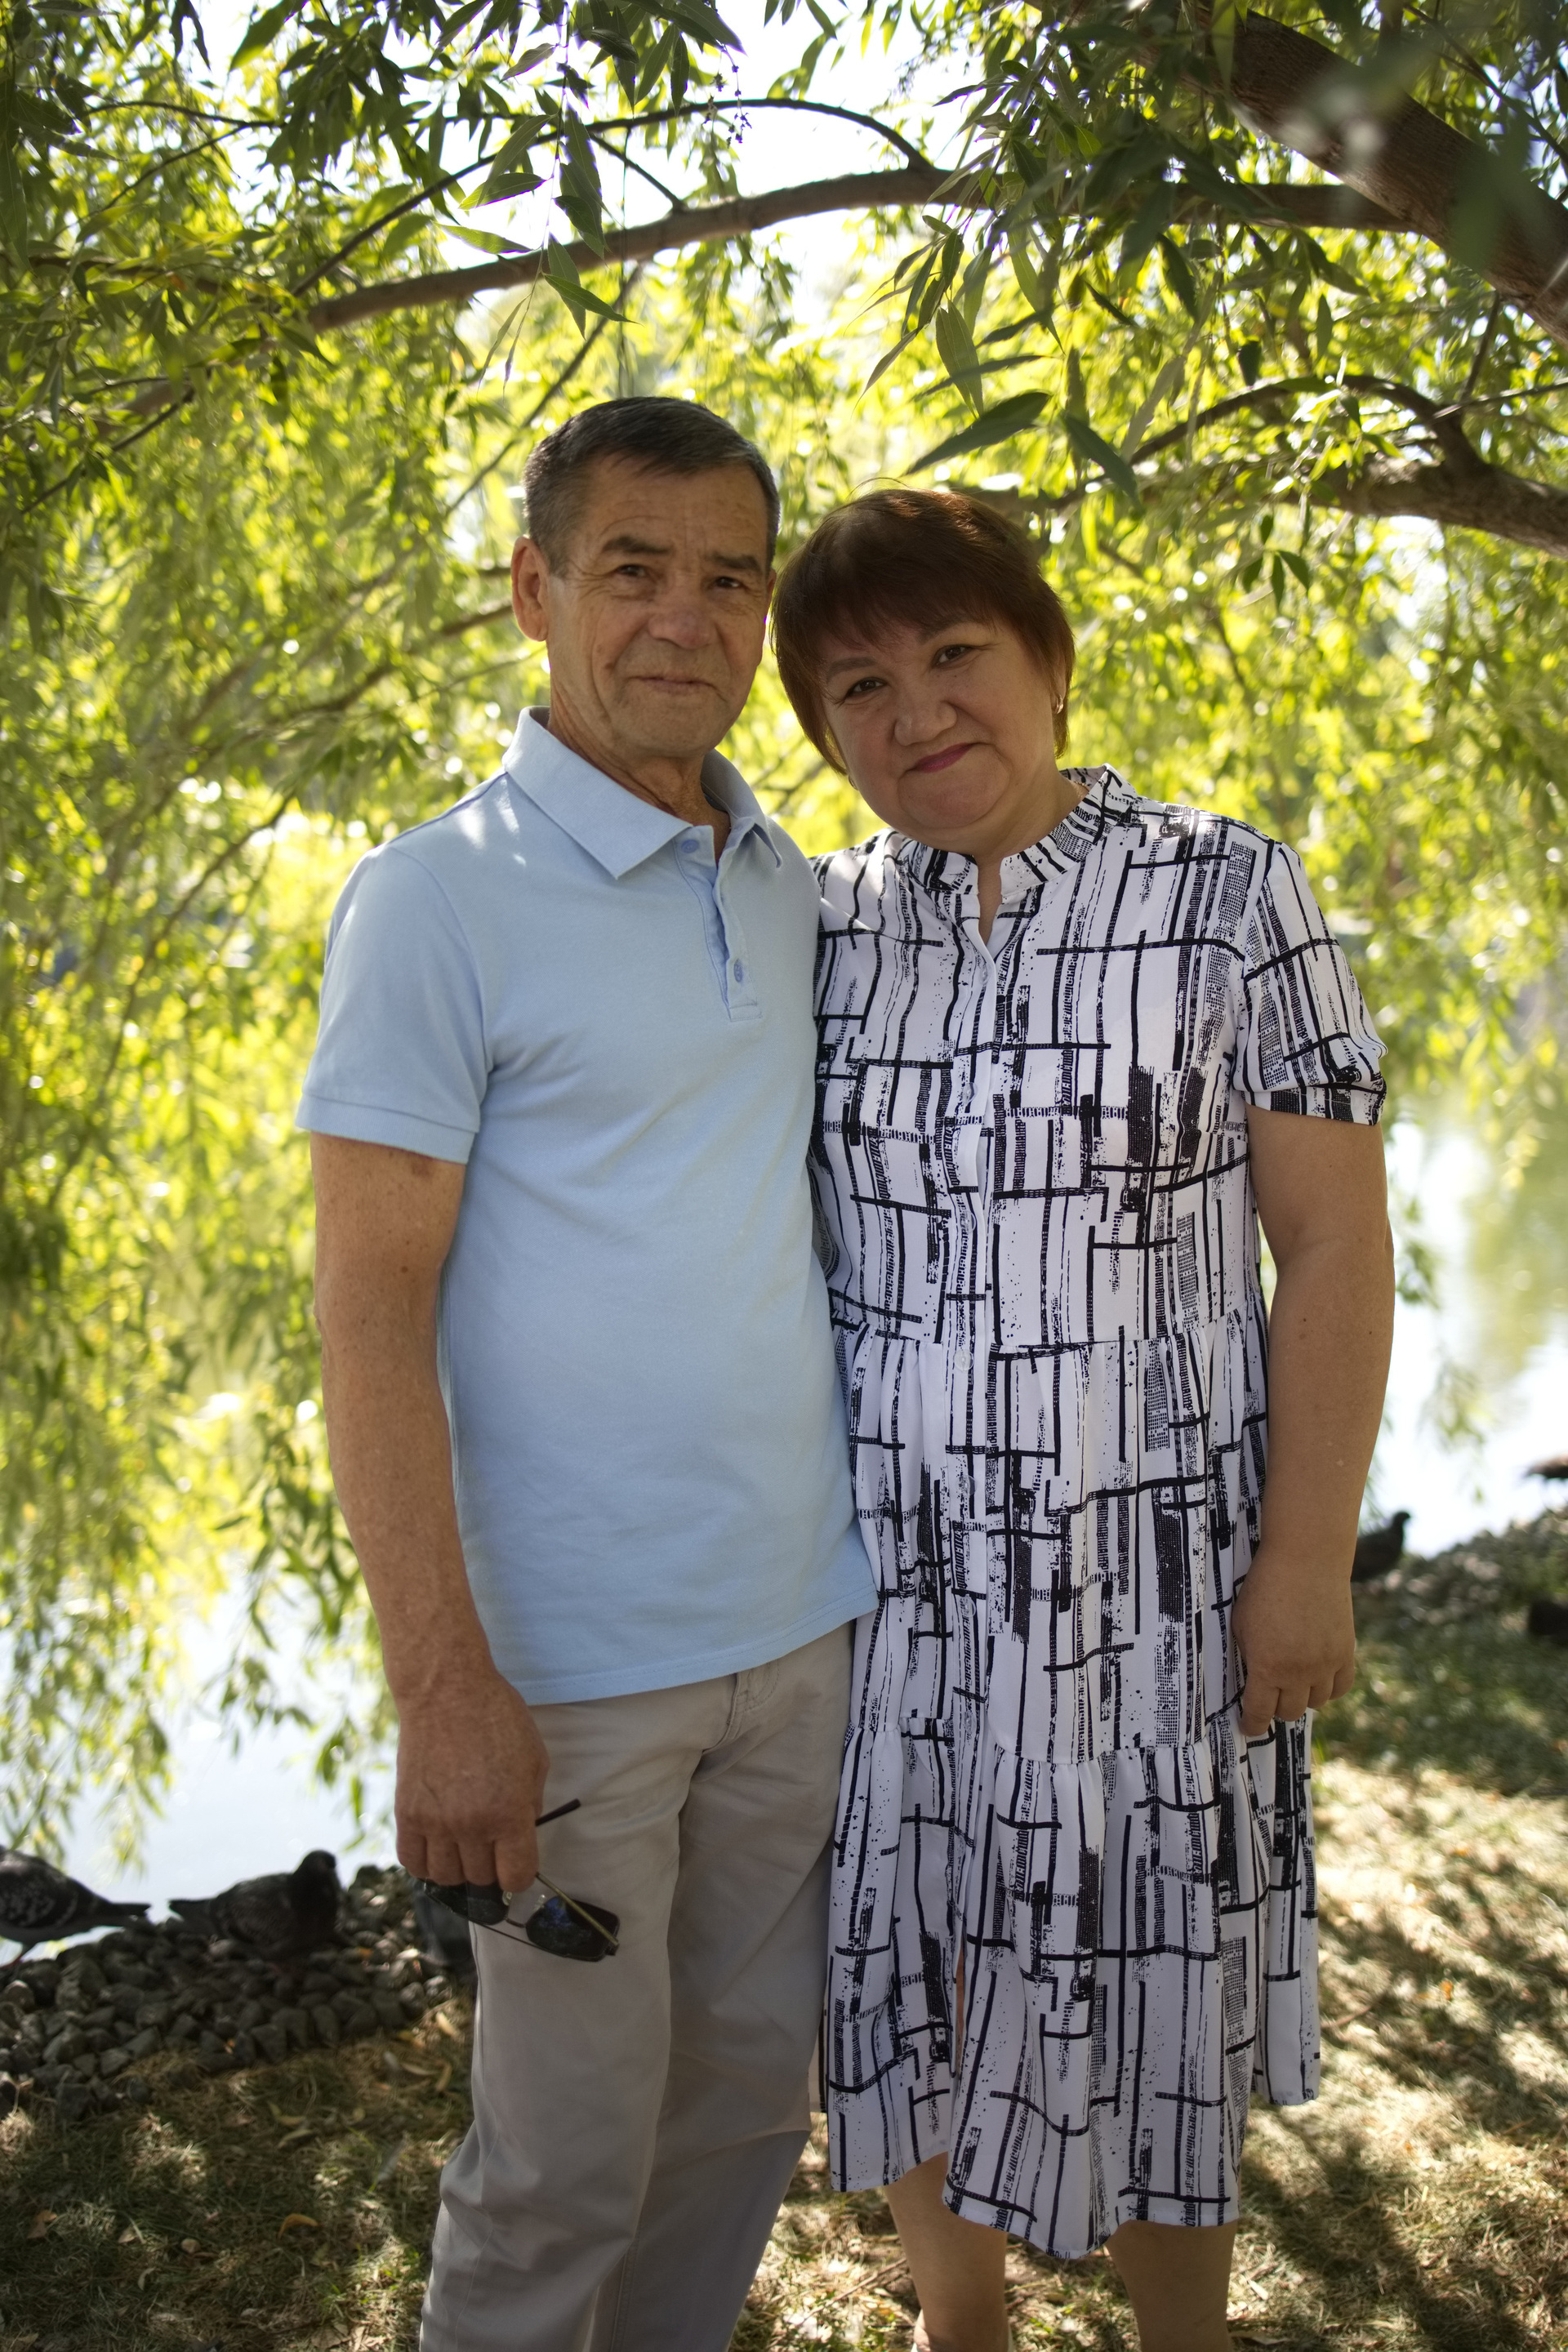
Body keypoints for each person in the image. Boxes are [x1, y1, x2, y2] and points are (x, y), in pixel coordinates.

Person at [770, 488, 1396, 2352]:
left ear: (1047, 659)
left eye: (955, 653)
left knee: (1151, 1990)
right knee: (909, 1970)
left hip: (1157, 1587)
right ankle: (958, 2325)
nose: (918, 713)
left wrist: (1308, 1560)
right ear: (822, 732)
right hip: (895, 1592)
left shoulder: (1230, 892)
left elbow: (1336, 1246)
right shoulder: (824, 928)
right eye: (859, 687)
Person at [299, 398, 874, 2352]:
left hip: (804, 1634)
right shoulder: (435, 898)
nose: (686, 620)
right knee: (557, 2171)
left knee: (741, 2114)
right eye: (634, 569)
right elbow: (370, 1310)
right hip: (572, 1680)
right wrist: (441, 1686)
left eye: (730, 578)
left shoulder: (790, 881)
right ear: (534, 592)